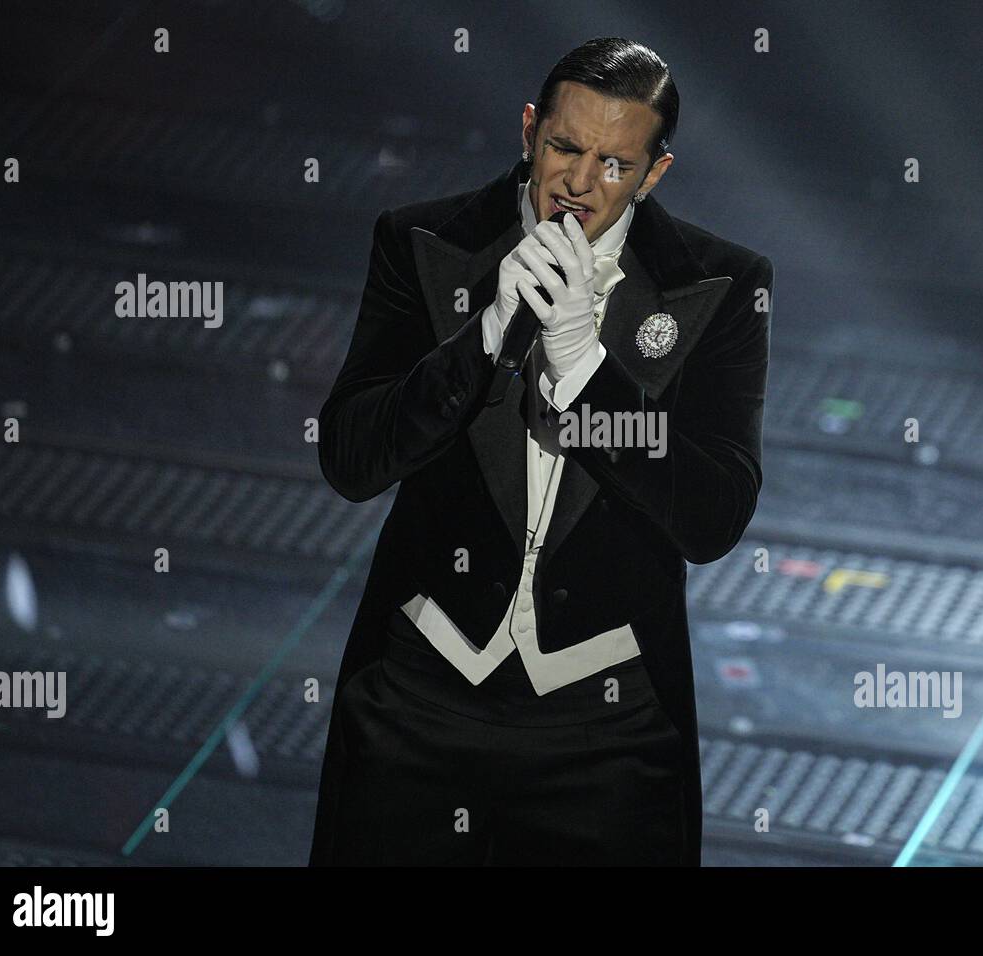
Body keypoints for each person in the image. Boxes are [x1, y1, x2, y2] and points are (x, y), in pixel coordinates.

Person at [309, 36, 772, 866]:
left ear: (654, 173)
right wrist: (481, 339)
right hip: (421, 697)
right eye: (563, 147)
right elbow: (350, 458)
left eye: (615, 164)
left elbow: (712, 518)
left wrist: (587, 371)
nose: (580, 182)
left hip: (607, 725)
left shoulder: (723, 287)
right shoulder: (421, 242)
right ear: (528, 130)